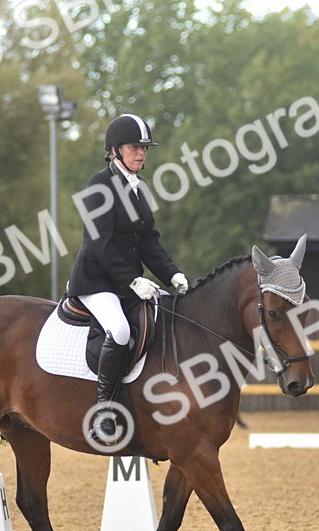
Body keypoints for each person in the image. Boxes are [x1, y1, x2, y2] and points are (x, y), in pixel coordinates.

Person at [67, 113, 189, 438]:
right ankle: (103, 411)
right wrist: (133, 280)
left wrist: (172, 275)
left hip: (127, 283)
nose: (141, 153)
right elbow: (100, 243)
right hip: (96, 281)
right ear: (115, 150)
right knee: (120, 330)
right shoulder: (99, 185)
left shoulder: (140, 188)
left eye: (145, 148)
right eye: (135, 147)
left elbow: (149, 241)